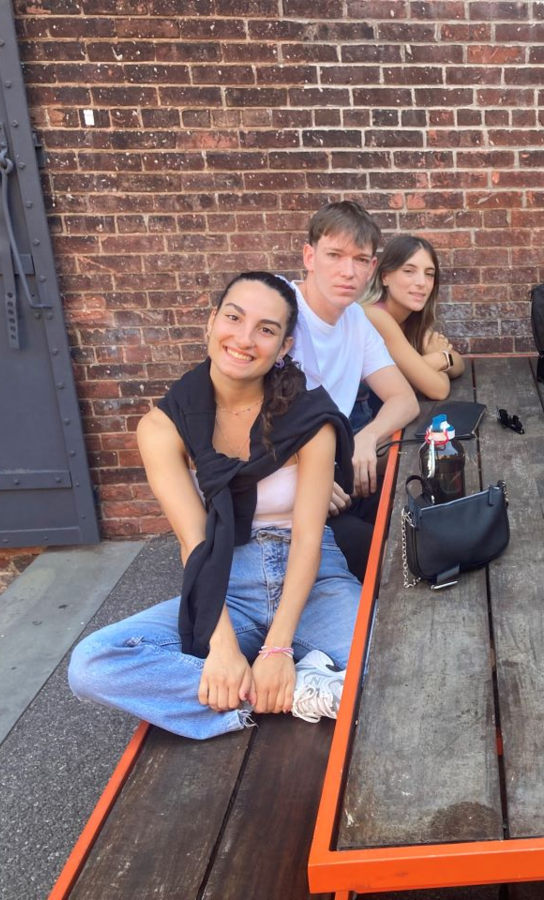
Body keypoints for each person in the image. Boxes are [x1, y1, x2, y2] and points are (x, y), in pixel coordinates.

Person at [68, 272, 362, 739]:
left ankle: (276, 682)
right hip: (226, 585)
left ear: (283, 347)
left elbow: (308, 537)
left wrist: (278, 650)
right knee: (93, 664)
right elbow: (195, 542)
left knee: (396, 668)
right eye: (234, 318)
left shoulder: (309, 418)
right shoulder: (163, 427)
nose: (244, 339)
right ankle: (301, 691)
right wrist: (223, 647)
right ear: (211, 322)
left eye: (266, 329)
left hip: (314, 584)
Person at [287, 201, 418, 577]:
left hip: (339, 474)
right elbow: (237, 412)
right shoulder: (280, 311)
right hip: (282, 491)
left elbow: (404, 399)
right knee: (387, 557)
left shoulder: (355, 319)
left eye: (360, 260)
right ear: (309, 257)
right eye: (334, 255)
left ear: (372, 267)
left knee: (419, 511)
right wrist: (299, 473)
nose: (348, 272)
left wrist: (367, 436)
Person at [363, 234, 464, 402]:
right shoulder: (375, 316)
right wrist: (439, 358)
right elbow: (438, 389)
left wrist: (430, 365)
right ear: (385, 277)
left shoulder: (411, 320)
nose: (421, 282)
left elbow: (459, 364)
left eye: (429, 274)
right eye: (409, 271)